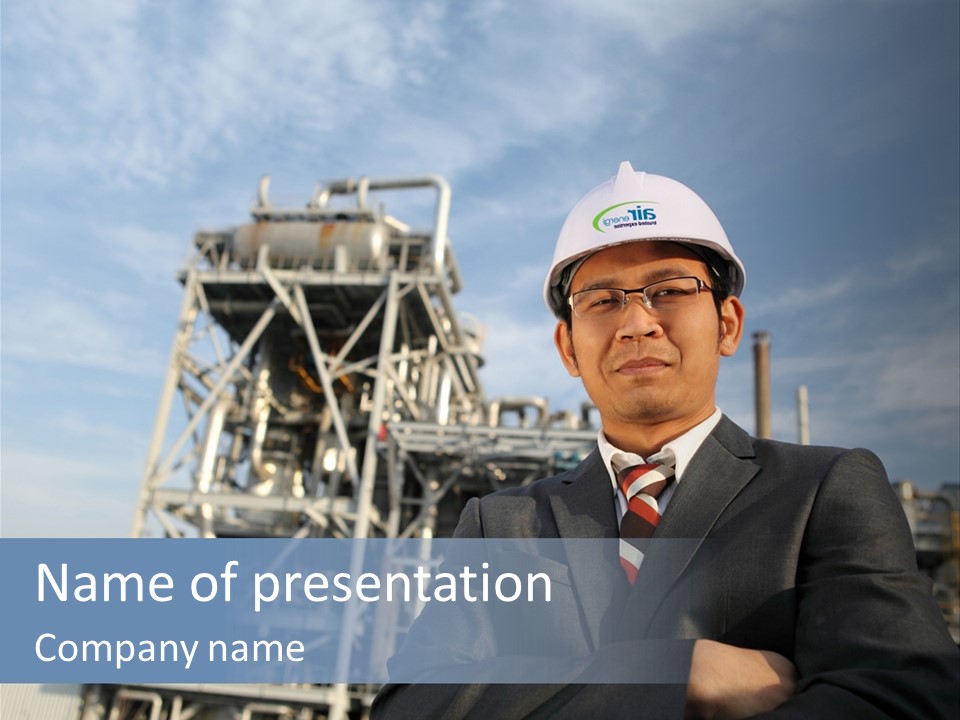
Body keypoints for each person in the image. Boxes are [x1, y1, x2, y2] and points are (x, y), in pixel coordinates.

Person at [371, 162, 960, 719]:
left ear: (727, 323)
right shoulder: (501, 526)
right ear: (568, 347)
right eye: (602, 301)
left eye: (670, 290)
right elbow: (412, 706)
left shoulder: (823, 492)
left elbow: (904, 695)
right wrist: (673, 675)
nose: (636, 323)